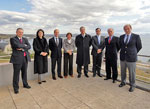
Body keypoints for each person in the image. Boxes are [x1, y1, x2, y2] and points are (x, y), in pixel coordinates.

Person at [119, 24, 142, 92]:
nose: (126, 30)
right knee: (123, 71)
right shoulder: (121, 36)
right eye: (125, 29)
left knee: (132, 73)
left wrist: (133, 52)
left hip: (131, 58)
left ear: (131, 28)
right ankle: (123, 82)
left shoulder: (136, 36)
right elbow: (120, 46)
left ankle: (132, 85)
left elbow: (139, 46)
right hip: (123, 57)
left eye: (128, 28)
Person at [10, 28, 31, 94]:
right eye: (19, 32)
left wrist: (22, 48)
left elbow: (29, 46)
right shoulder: (13, 39)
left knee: (24, 72)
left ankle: (25, 84)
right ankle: (16, 88)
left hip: (25, 58)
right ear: (16, 32)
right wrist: (24, 46)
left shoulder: (25, 39)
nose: (21, 33)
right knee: (16, 74)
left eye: (22, 32)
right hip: (17, 59)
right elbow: (17, 45)